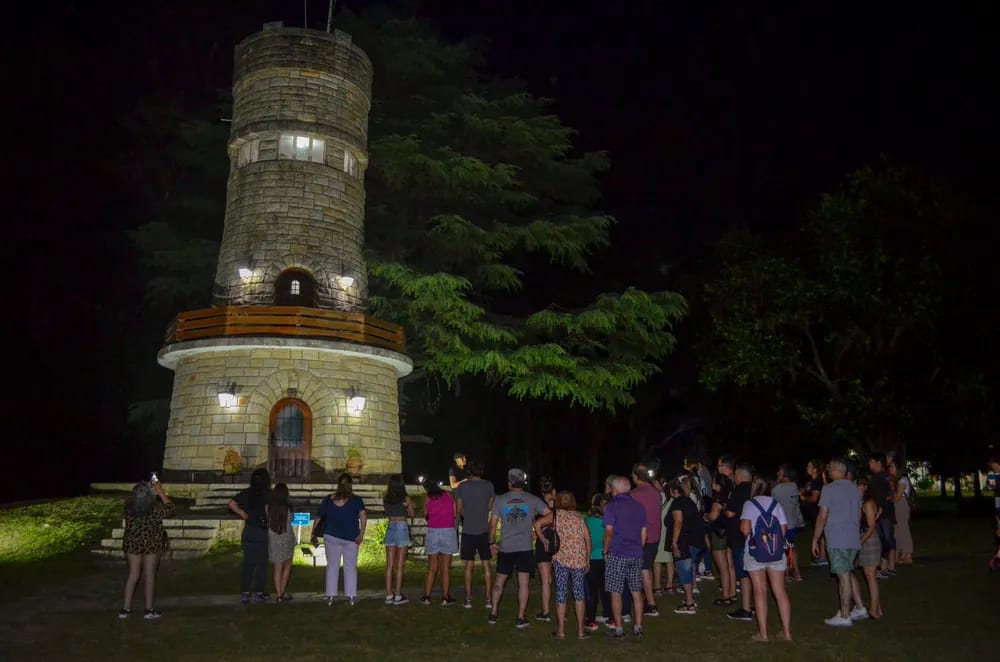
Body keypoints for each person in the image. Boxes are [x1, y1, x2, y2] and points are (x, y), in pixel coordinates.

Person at [488, 468, 550, 628]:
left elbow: (492, 524)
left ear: (509, 482)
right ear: (522, 483)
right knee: (524, 583)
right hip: (525, 547)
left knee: (499, 581)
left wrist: (491, 543)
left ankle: (493, 613)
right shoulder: (532, 499)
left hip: (506, 547)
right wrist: (538, 526)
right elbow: (550, 514)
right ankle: (521, 617)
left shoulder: (500, 500)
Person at [740, 477, 792, 642]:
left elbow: (745, 530)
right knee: (780, 591)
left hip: (756, 552)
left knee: (760, 591)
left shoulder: (749, 504)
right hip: (775, 553)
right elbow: (783, 530)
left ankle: (763, 634)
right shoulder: (775, 504)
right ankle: (787, 632)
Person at [534, 490, 592, 639]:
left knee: (561, 594)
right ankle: (580, 631)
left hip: (561, 560)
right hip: (578, 560)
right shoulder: (579, 517)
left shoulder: (555, 516)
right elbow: (587, 538)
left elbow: (538, 524)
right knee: (579, 594)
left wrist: (544, 540)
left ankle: (561, 631)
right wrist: (587, 558)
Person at [812, 458, 862, 627]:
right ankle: (860, 607)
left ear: (836, 471)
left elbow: (822, 515)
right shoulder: (855, 489)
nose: (828, 472)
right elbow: (859, 514)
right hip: (853, 537)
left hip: (838, 538)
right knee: (848, 571)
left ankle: (845, 615)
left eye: (829, 469)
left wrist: (816, 538)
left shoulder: (829, 489)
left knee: (843, 575)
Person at [120, 478, 174, 619]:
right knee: (150, 575)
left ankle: (125, 609)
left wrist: (145, 488)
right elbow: (170, 508)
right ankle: (149, 610)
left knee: (133, 575)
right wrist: (160, 491)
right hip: (151, 544)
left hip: (133, 544)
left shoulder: (129, 507)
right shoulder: (154, 509)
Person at [603, 475, 647, 639]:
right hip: (636, 553)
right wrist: (637, 548)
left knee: (615, 591)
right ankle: (638, 626)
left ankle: (619, 628)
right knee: (636, 591)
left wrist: (606, 551)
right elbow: (644, 534)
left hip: (617, 553)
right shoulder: (639, 506)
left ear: (615, 489)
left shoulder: (612, 506)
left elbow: (608, 532)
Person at [315, 473, 368, 605]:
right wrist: (361, 534)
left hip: (331, 535)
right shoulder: (356, 500)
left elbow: (318, 517)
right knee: (350, 567)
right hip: (351, 537)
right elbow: (363, 517)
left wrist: (313, 534)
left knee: (332, 566)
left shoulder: (328, 499)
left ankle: (331, 596)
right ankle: (350, 596)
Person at [454, 459, 495, 609]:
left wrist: (469, 514)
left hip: (468, 531)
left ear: (470, 471)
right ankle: (489, 599)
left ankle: (468, 598)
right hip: (483, 530)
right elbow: (490, 506)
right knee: (486, 565)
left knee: (468, 566)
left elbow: (459, 509)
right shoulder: (489, 486)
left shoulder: (463, 486)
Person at [228, 468, 272, 604]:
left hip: (249, 531)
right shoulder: (268, 494)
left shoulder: (247, 493)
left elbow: (231, 503)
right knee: (261, 564)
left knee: (248, 564)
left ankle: (245, 593)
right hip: (262, 532)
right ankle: (259, 593)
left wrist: (241, 513)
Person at [667, 476, 705, 615]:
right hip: (695, 539)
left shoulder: (678, 503)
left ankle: (689, 604)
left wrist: (674, 542)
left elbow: (678, 522)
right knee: (687, 570)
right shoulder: (689, 501)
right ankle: (690, 599)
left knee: (683, 570)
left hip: (685, 540)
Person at [630, 462, 661, 616]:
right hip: (655, 535)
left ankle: (651, 603)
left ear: (636, 477)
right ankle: (648, 597)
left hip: (642, 537)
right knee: (647, 567)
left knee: (643, 570)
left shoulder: (635, 494)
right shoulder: (656, 492)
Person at [724, 462, 754, 621]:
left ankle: (746, 608)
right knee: (754, 572)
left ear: (740, 476)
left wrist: (724, 508)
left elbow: (730, 513)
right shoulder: (758, 490)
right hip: (756, 536)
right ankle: (754, 603)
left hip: (739, 536)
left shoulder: (738, 490)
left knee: (743, 574)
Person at [422, 480, 458, 605]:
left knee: (432, 567)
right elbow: (455, 512)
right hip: (448, 530)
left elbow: (426, 516)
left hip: (433, 531)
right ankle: (445, 597)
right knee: (445, 568)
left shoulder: (427, 498)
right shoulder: (449, 495)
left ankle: (427, 596)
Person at [853, 477, 883, 619]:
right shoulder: (861, 503)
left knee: (870, 575)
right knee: (869, 575)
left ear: (864, 487)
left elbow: (871, 527)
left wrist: (860, 542)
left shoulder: (868, 503)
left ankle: (874, 609)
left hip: (869, 540)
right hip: (865, 538)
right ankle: (877, 607)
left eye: (858, 486)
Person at [382, 474, 414, 605]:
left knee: (389, 565)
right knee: (399, 566)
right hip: (401, 527)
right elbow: (411, 514)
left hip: (390, 527)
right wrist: (409, 505)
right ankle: (398, 595)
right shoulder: (405, 498)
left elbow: (388, 512)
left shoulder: (386, 498)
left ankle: (389, 594)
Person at [706, 472, 736, 608]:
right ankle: (732, 592)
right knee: (730, 565)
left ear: (718, 485)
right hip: (729, 533)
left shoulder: (718, 500)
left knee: (722, 567)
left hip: (719, 534)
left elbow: (712, 516)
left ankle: (725, 596)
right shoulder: (730, 496)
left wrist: (705, 516)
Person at [772, 464, 805, 580]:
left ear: (785, 476)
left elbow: (773, 503)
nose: (777, 474)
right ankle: (792, 572)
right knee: (790, 547)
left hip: (784, 524)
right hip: (793, 523)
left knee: (786, 548)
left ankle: (792, 573)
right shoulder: (794, 486)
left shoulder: (778, 489)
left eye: (779, 473)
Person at [584, 493, 612, 629]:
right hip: (607, 558)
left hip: (591, 559)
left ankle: (591, 620)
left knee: (591, 591)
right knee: (607, 589)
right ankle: (610, 618)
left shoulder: (587, 521)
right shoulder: (610, 522)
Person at [533, 475, 558, 621]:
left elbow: (535, 522)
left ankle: (546, 612)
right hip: (558, 543)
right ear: (553, 490)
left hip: (544, 543)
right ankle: (561, 611)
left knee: (546, 580)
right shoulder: (560, 503)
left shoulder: (539, 504)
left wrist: (538, 535)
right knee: (557, 578)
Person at [868, 453, 896, 577]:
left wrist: (879, 508)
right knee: (886, 539)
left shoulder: (882, 477)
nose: (869, 464)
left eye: (871, 462)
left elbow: (888, 494)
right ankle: (887, 567)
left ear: (878, 463)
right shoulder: (881, 477)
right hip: (883, 513)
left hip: (883, 514)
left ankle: (884, 567)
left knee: (885, 540)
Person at [267, 483, 295, 603]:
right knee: (287, 566)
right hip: (287, 537)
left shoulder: (268, 507)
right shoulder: (289, 508)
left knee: (277, 567)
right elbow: (292, 519)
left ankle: (279, 595)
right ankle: (282, 592)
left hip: (274, 538)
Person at [888, 456, 914, 565]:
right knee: (897, 530)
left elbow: (898, 497)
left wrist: (889, 501)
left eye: (892, 467)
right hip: (897, 506)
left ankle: (908, 554)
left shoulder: (903, 480)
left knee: (903, 529)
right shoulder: (896, 480)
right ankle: (902, 554)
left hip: (901, 505)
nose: (890, 469)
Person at [801, 460, 827, 565]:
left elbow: (815, 498)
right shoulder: (812, 482)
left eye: (809, 466)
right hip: (813, 512)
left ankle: (823, 556)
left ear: (815, 469)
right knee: (819, 533)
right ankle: (822, 555)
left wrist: (804, 498)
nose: (807, 468)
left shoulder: (816, 482)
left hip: (817, 511)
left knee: (820, 533)